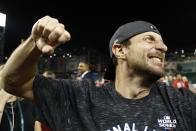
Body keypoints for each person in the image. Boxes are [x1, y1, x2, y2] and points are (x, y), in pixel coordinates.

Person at [0, 15, 196, 131]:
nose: (163, 47)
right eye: (149, 39)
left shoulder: (183, 102)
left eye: (161, 41)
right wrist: (34, 43)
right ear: (120, 51)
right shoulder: (80, 98)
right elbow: (12, 81)